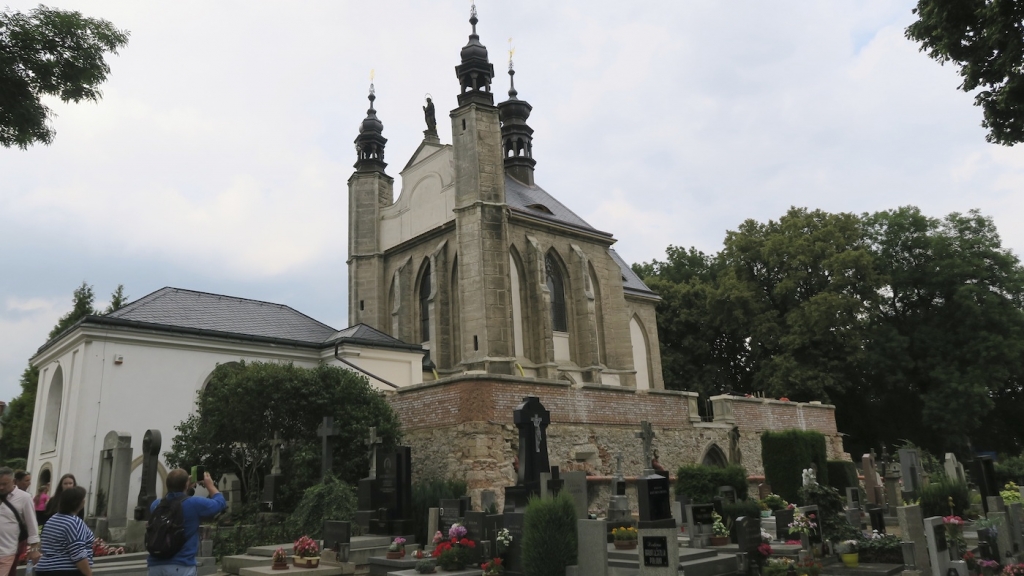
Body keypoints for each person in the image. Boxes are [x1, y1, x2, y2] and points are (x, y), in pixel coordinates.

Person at [147, 470, 225, 576]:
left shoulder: (156, 505)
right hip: (181, 566)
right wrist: (210, 485)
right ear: (186, 484)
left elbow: (172, 499)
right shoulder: (194, 503)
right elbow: (220, 503)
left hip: (155, 566)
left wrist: (184, 486)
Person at [35, 487, 92, 576]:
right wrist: (89, 574)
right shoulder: (75, 522)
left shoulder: (52, 519)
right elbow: (78, 554)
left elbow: (44, 544)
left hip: (44, 568)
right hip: (66, 570)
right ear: (78, 502)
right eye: (83, 499)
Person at [0, 467, 40, 575]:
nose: (1, 487)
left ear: (13, 481)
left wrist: (34, 550)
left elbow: (32, 525)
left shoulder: (24, 498)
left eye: (4, 484)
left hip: (7, 551)